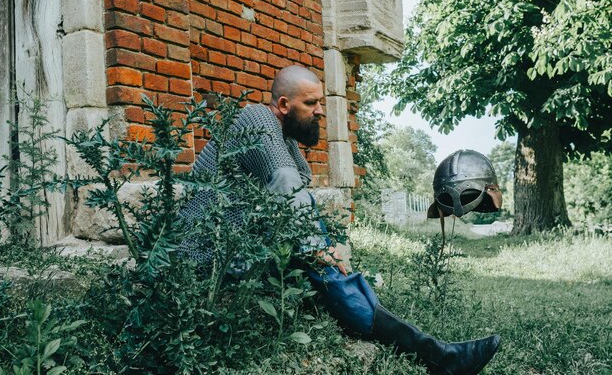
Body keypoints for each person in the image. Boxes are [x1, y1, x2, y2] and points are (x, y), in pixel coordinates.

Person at [180, 65, 501, 375]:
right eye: (311, 103)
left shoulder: (285, 137)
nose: (320, 110)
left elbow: (297, 202)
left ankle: (429, 348)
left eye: (320, 101)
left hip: (243, 245)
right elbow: (287, 187)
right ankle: (437, 355)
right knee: (321, 260)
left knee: (323, 254)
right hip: (209, 255)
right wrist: (320, 249)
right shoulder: (257, 119)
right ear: (283, 105)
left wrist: (323, 246)